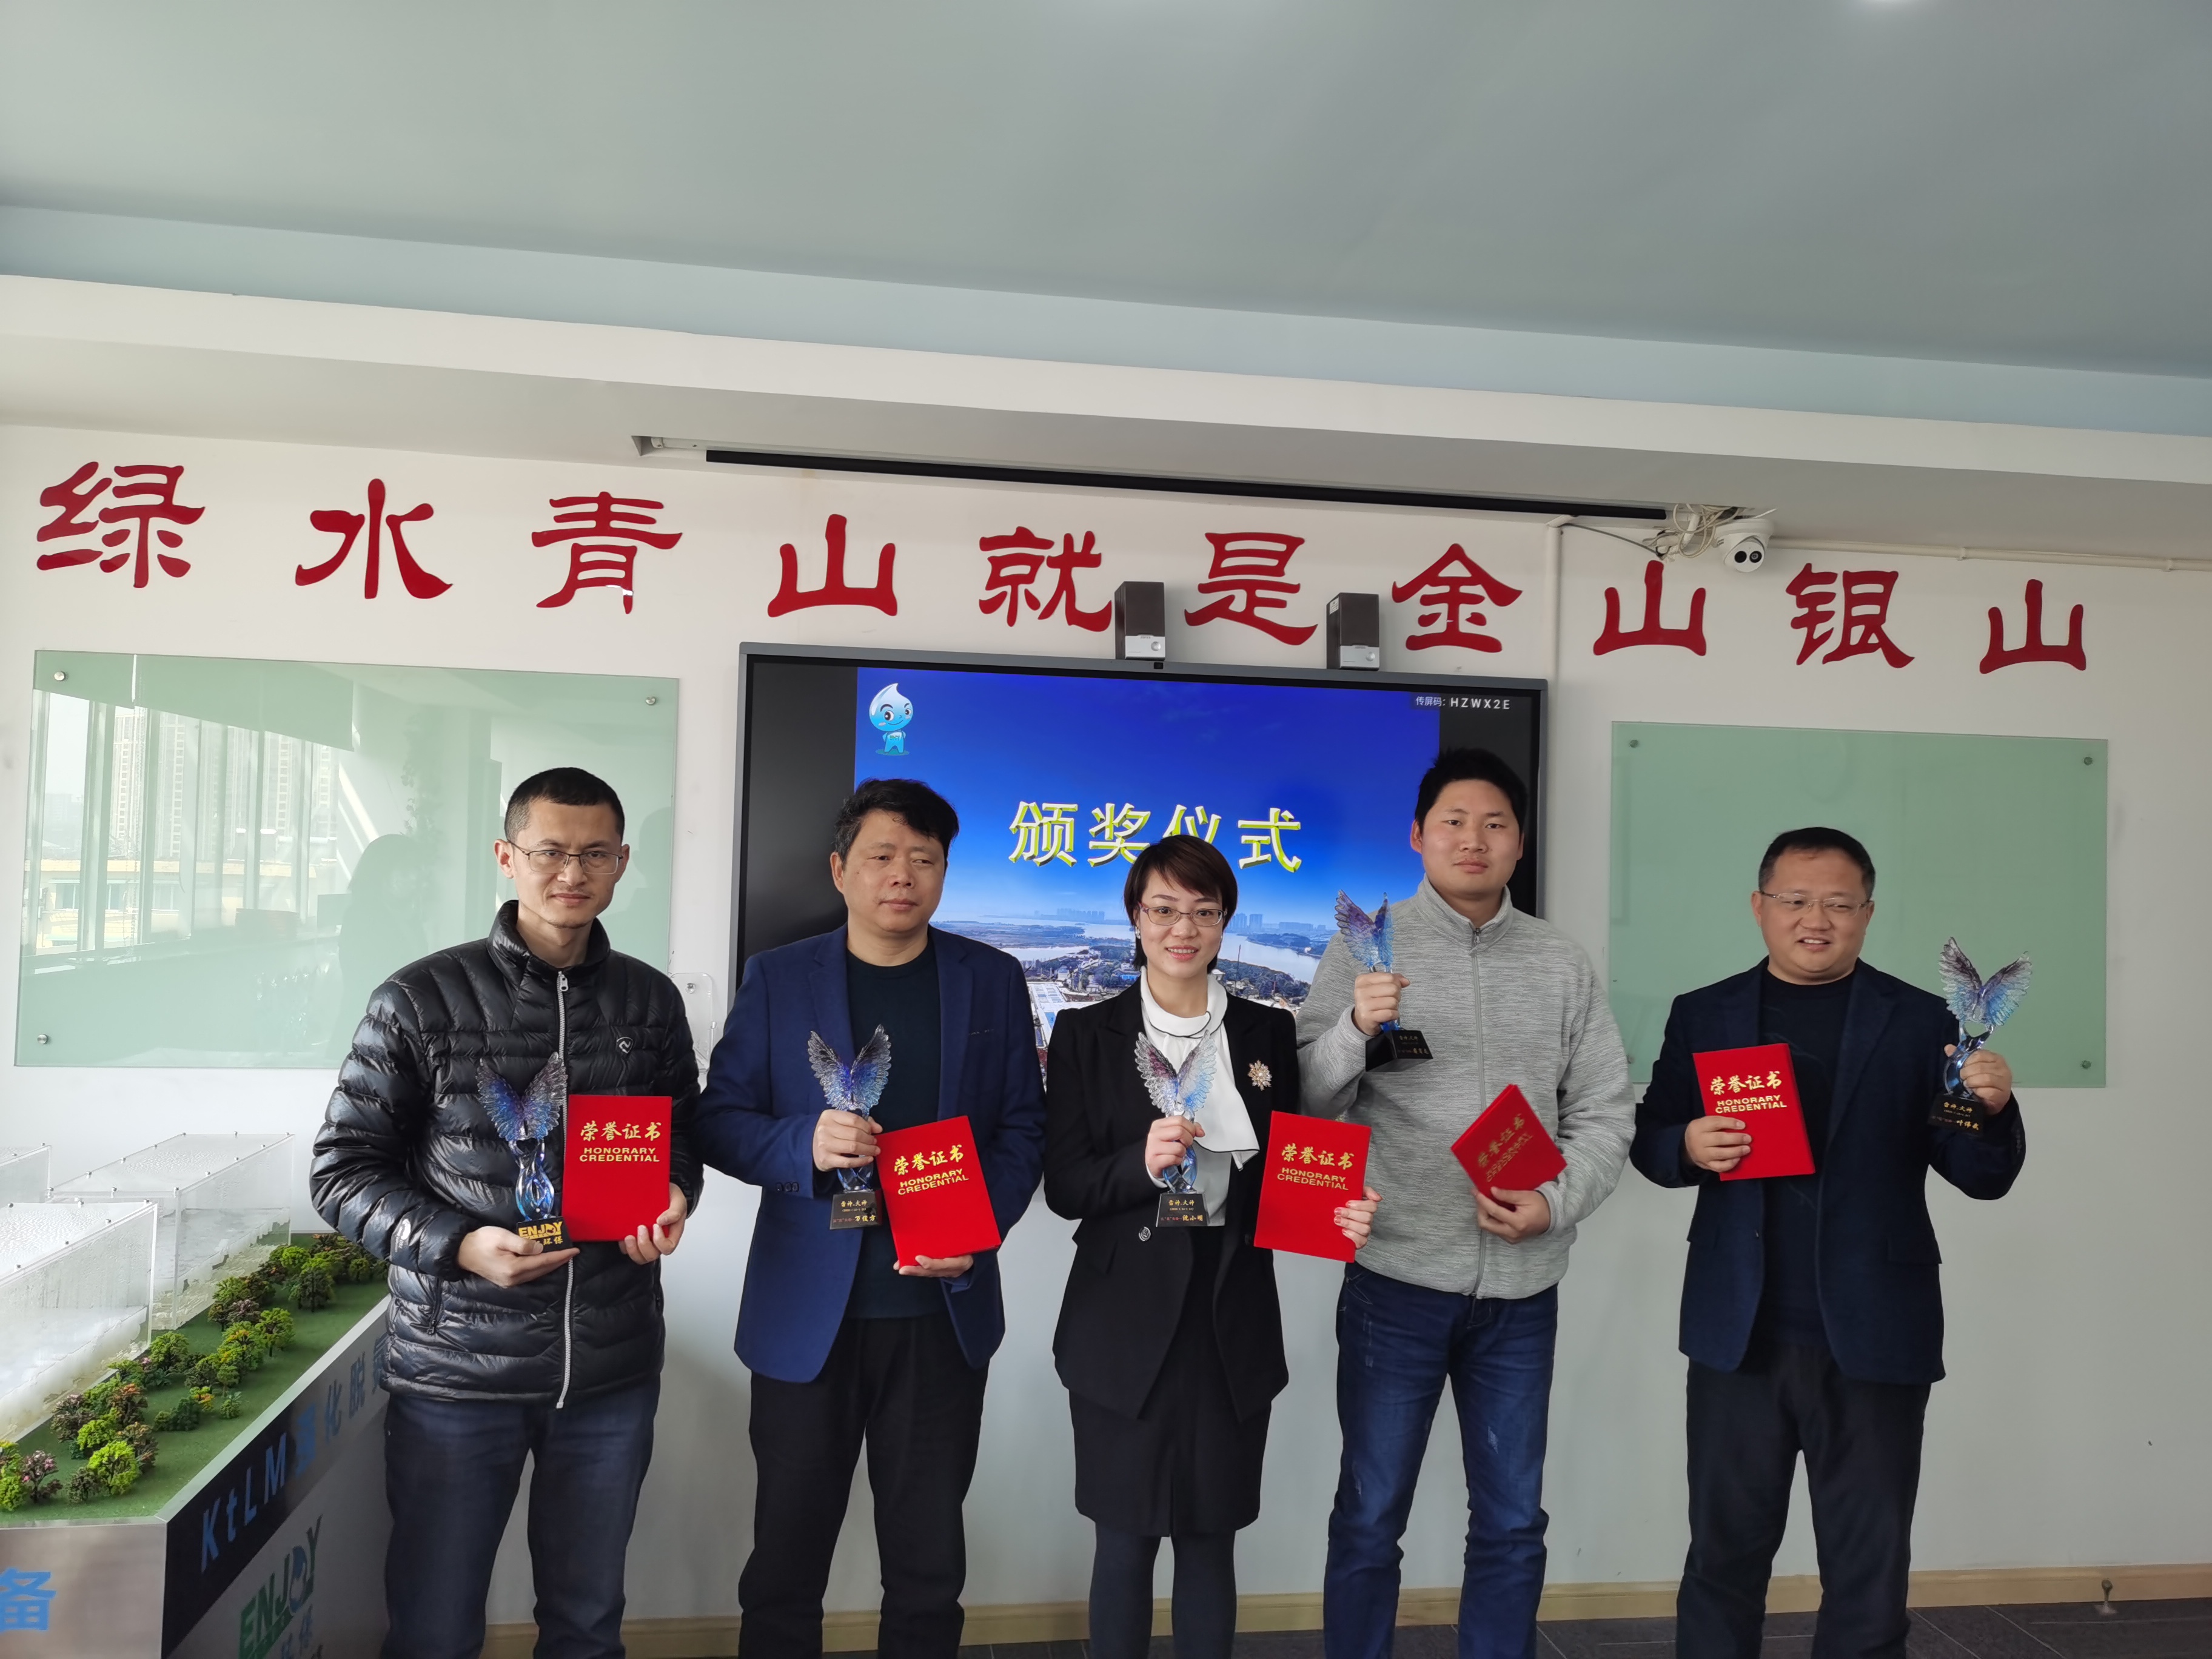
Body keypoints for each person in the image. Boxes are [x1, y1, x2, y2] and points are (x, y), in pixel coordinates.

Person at [312, 766, 700, 1659]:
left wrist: (676, 1194)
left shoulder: (650, 1001)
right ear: (507, 856)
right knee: (436, 1627)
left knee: (587, 1624)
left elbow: (680, 1135)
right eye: (550, 851)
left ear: (622, 862)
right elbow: (342, 1173)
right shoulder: (420, 999)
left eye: (595, 854)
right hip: (458, 1372)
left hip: (607, 1369)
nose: (572, 872)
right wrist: (458, 1245)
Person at [1631, 828, 2026, 1659]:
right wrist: (1687, 1146)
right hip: (1740, 1335)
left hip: (1875, 1337)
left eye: (1840, 904)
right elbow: (1652, 1140)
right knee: (1723, 1557)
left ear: (1868, 914)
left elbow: (1978, 1175)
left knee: (1868, 1568)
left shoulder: (1921, 1022)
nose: (1817, 920)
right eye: (1797, 901)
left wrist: (1991, 1112)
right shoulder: (1704, 1014)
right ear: (1760, 907)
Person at [694, 777, 1047, 1659]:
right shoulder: (779, 978)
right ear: (839, 869)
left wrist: (978, 1229)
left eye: (925, 859)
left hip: (939, 1315)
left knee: (928, 1570)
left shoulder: (991, 980)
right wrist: (802, 1143)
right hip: (806, 1321)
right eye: (883, 856)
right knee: (785, 1565)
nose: (903, 876)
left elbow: (1023, 1129)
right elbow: (718, 1120)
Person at [1296, 746, 1634, 1659]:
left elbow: (1606, 1111)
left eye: (1495, 824)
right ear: (1417, 835)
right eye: (1453, 821)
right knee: (1370, 1515)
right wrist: (1355, 1029)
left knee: (1514, 1521)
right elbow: (1305, 1100)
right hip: (1395, 1280)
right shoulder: (1363, 947)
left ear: (1520, 842)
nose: (1473, 839)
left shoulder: (1561, 962)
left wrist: (1554, 1203)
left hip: (1523, 1291)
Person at [1046, 835, 1379, 1659]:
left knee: (1209, 1539)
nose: (1183, 929)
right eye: (1163, 910)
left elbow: (1289, 1171)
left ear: (1226, 921)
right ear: (1135, 918)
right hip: (1122, 1321)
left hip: (1229, 1311)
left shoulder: (1267, 1031)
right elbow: (1066, 1187)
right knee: (1124, 1539)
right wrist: (1139, 1162)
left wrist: (1335, 1210)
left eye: (1203, 911)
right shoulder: (1087, 1033)